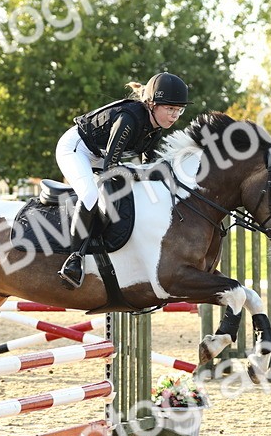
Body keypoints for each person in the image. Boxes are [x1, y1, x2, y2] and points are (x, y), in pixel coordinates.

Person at [54, 72, 189, 288]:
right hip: (76, 148)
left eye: (179, 110)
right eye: (170, 109)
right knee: (90, 194)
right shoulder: (130, 118)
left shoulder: (155, 127)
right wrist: (141, 173)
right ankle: (74, 259)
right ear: (152, 104)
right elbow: (110, 167)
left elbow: (148, 165)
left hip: (98, 154)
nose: (175, 116)